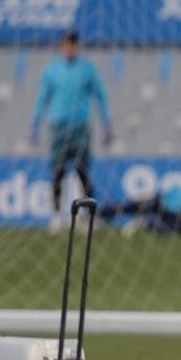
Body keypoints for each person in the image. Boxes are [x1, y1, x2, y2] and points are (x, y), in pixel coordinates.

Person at [30, 30, 113, 231]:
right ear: (61, 46)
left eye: (73, 44)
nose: (69, 48)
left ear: (77, 46)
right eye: (66, 44)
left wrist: (106, 123)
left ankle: (90, 216)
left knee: (82, 172)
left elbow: (100, 96)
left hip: (80, 127)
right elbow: (42, 98)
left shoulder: (87, 70)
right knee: (57, 171)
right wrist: (35, 124)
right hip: (58, 126)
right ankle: (57, 216)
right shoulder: (52, 70)